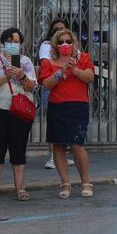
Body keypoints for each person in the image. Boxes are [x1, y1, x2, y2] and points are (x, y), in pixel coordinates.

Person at [39, 28, 96, 198]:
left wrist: (75, 70)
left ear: (73, 44)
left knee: (77, 145)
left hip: (78, 105)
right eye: (61, 42)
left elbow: (90, 77)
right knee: (59, 145)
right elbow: (47, 84)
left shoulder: (83, 58)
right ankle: (65, 183)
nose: (65, 44)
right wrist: (61, 71)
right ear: (55, 45)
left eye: (68, 41)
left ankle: (86, 182)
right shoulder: (48, 62)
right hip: (57, 106)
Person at [0, 28, 38, 200]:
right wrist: (6, 76)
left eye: (16, 41)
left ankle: (20, 188)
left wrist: (22, 75)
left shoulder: (26, 61)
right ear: (4, 42)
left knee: (18, 149)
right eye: (10, 40)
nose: (13, 44)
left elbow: (31, 86)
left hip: (19, 111)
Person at [38, 18, 72, 170]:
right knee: (53, 121)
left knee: (65, 121)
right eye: (56, 28)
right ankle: (52, 156)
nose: (59, 30)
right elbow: (46, 64)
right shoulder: (46, 45)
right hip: (51, 85)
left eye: (62, 28)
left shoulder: (70, 44)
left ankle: (62, 155)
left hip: (67, 86)